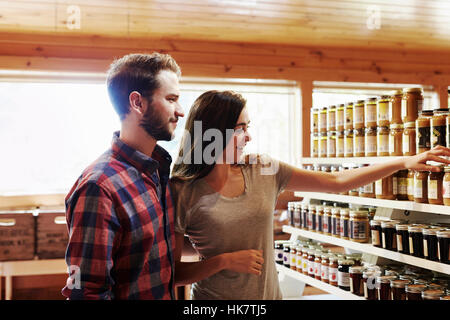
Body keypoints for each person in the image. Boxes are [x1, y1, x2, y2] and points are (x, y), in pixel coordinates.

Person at [170, 90, 450, 300]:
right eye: (240, 129)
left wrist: (403, 162)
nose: (249, 137)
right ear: (213, 133)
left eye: (248, 127)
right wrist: (223, 260)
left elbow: (337, 181)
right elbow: (172, 272)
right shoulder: (183, 189)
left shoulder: (262, 168)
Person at [62, 52, 184, 299]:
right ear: (137, 103)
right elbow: (85, 292)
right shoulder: (99, 187)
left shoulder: (158, 171)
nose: (180, 111)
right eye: (171, 99)